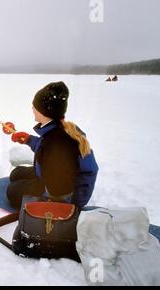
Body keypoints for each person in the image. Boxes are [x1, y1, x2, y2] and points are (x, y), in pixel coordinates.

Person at [6, 81, 99, 209]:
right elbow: (44, 146)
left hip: (66, 195)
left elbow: (61, 190)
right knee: (15, 174)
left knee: (12, 191)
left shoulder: (57, 145)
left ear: (45, 112)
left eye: (35, 106)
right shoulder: (58, 129)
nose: (32, 108)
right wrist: (29, 139)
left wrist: (47, 202)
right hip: (52, 176)